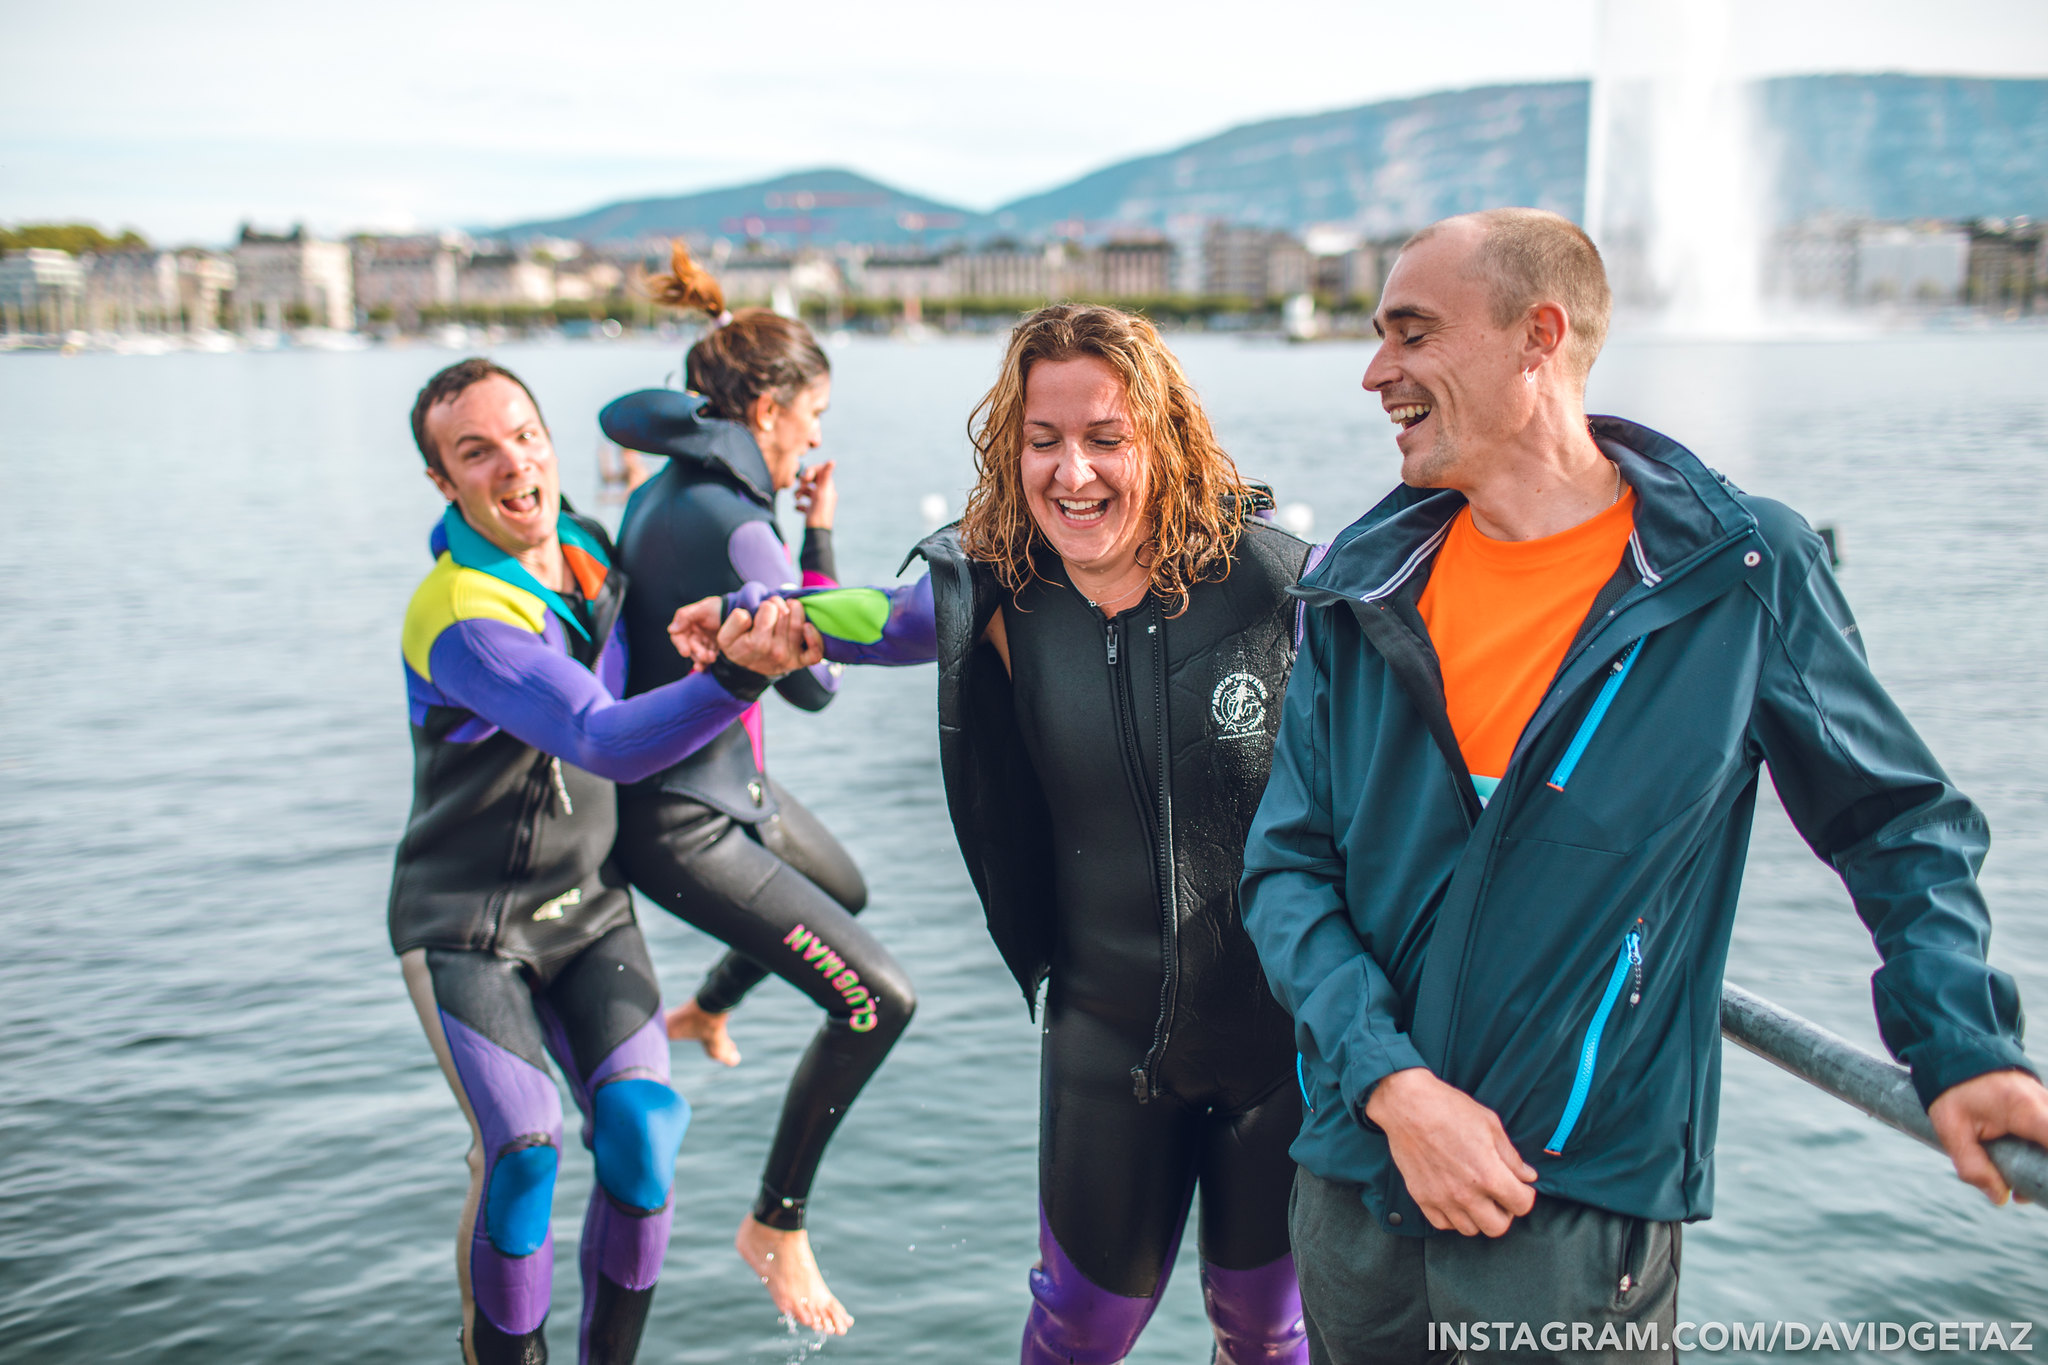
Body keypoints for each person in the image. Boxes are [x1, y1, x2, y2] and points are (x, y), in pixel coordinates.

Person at [1237, 209, 2048, 1364]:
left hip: (1571, 1204)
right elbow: (1285, 871)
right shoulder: (1362, 586)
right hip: (1356, 1178)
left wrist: (1962, 1047)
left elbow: (1895, 826)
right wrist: (1391, 1087)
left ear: (1537, 338)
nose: (1376, 372)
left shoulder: (1736, 572)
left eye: (1411, 334)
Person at [679, 303, 1314, 1364]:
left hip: (1280, 1045)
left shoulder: (1279, 584)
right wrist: (759, 611)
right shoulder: (997, 596)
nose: (1072, 473)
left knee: (1264, 1331)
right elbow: (875, 619)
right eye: (1042, 440)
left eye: (1104, 439)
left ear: (1162, 438)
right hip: (1104, 1037)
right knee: (1077, 1330)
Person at [389, 357, 822, 1365]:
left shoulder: (584, 546)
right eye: (475, 452)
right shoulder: (458, 613)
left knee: (640, 1132)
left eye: (524, 436)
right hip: (466, 927)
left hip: (590, 906)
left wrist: (738, 389)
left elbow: (645, 417)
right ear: (442, 483)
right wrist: (740, 682)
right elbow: (601, 738)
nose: (512, 464)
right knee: (524, 1150)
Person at [595, 242, 915, 1337]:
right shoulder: (734, 518)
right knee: (877, 1001)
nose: (815, 439)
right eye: (812, 416)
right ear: (769, 409)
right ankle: (775, 1222)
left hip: (726, 791)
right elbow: (818, 681)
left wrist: (805, 529)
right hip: (683, 820)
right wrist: (815, 535)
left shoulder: (677, 486)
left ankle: (706, 1008)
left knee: (846, 892)